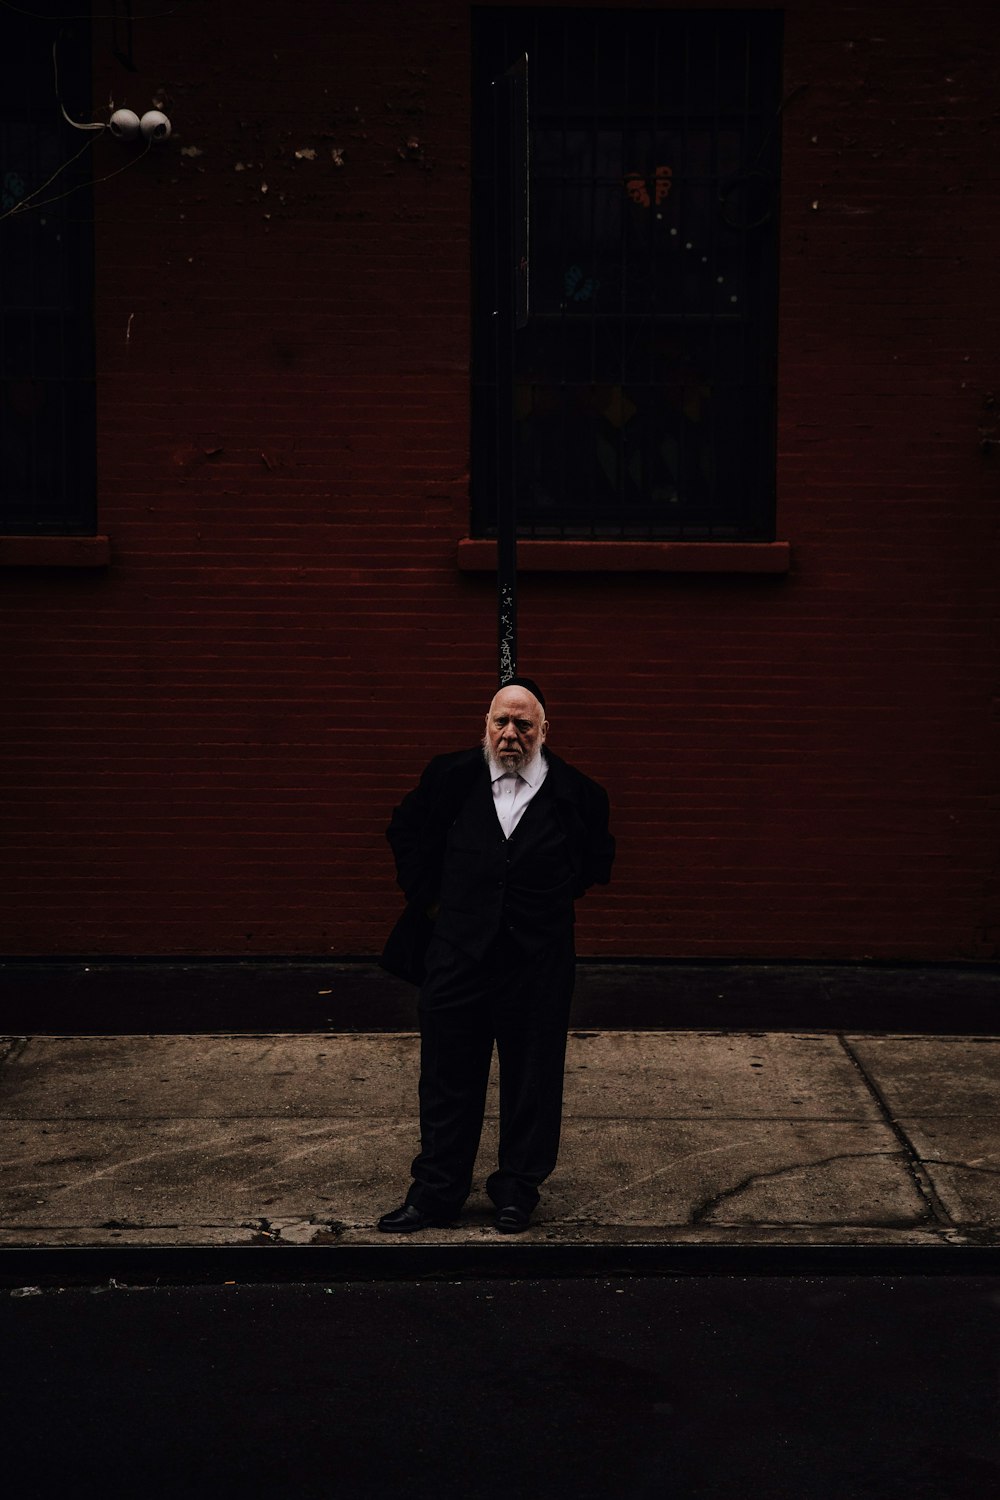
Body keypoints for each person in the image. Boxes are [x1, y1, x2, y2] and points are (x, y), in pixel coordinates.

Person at [378, 677, 614, 1233]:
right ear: (485, 726)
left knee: (532, 1080)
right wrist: (434, 903)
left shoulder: (580, 794)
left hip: (537, 964)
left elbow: (592, 865)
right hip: (457, 957)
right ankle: (435, 1193)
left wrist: (535, 906)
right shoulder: (449, 777)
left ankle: (517, 1191)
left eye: (523, 724)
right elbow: (404, 833)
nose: (511, 734)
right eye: (500, 723)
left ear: (543, 731)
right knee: (446, 1078)